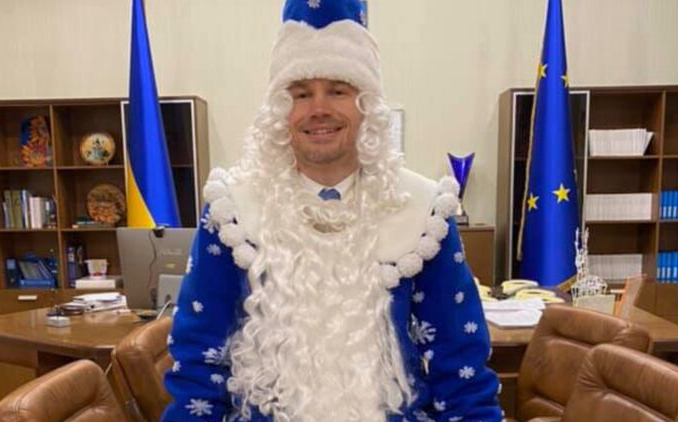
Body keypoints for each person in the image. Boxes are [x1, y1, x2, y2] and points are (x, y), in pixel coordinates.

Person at [163, 1, 502, 421]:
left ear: (367, 105)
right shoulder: (233, 212)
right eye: (301, 94)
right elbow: (198, 364)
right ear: (280, 110)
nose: (318, 109)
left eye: (338, 90)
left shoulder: (422, 212)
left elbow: (461, 369)